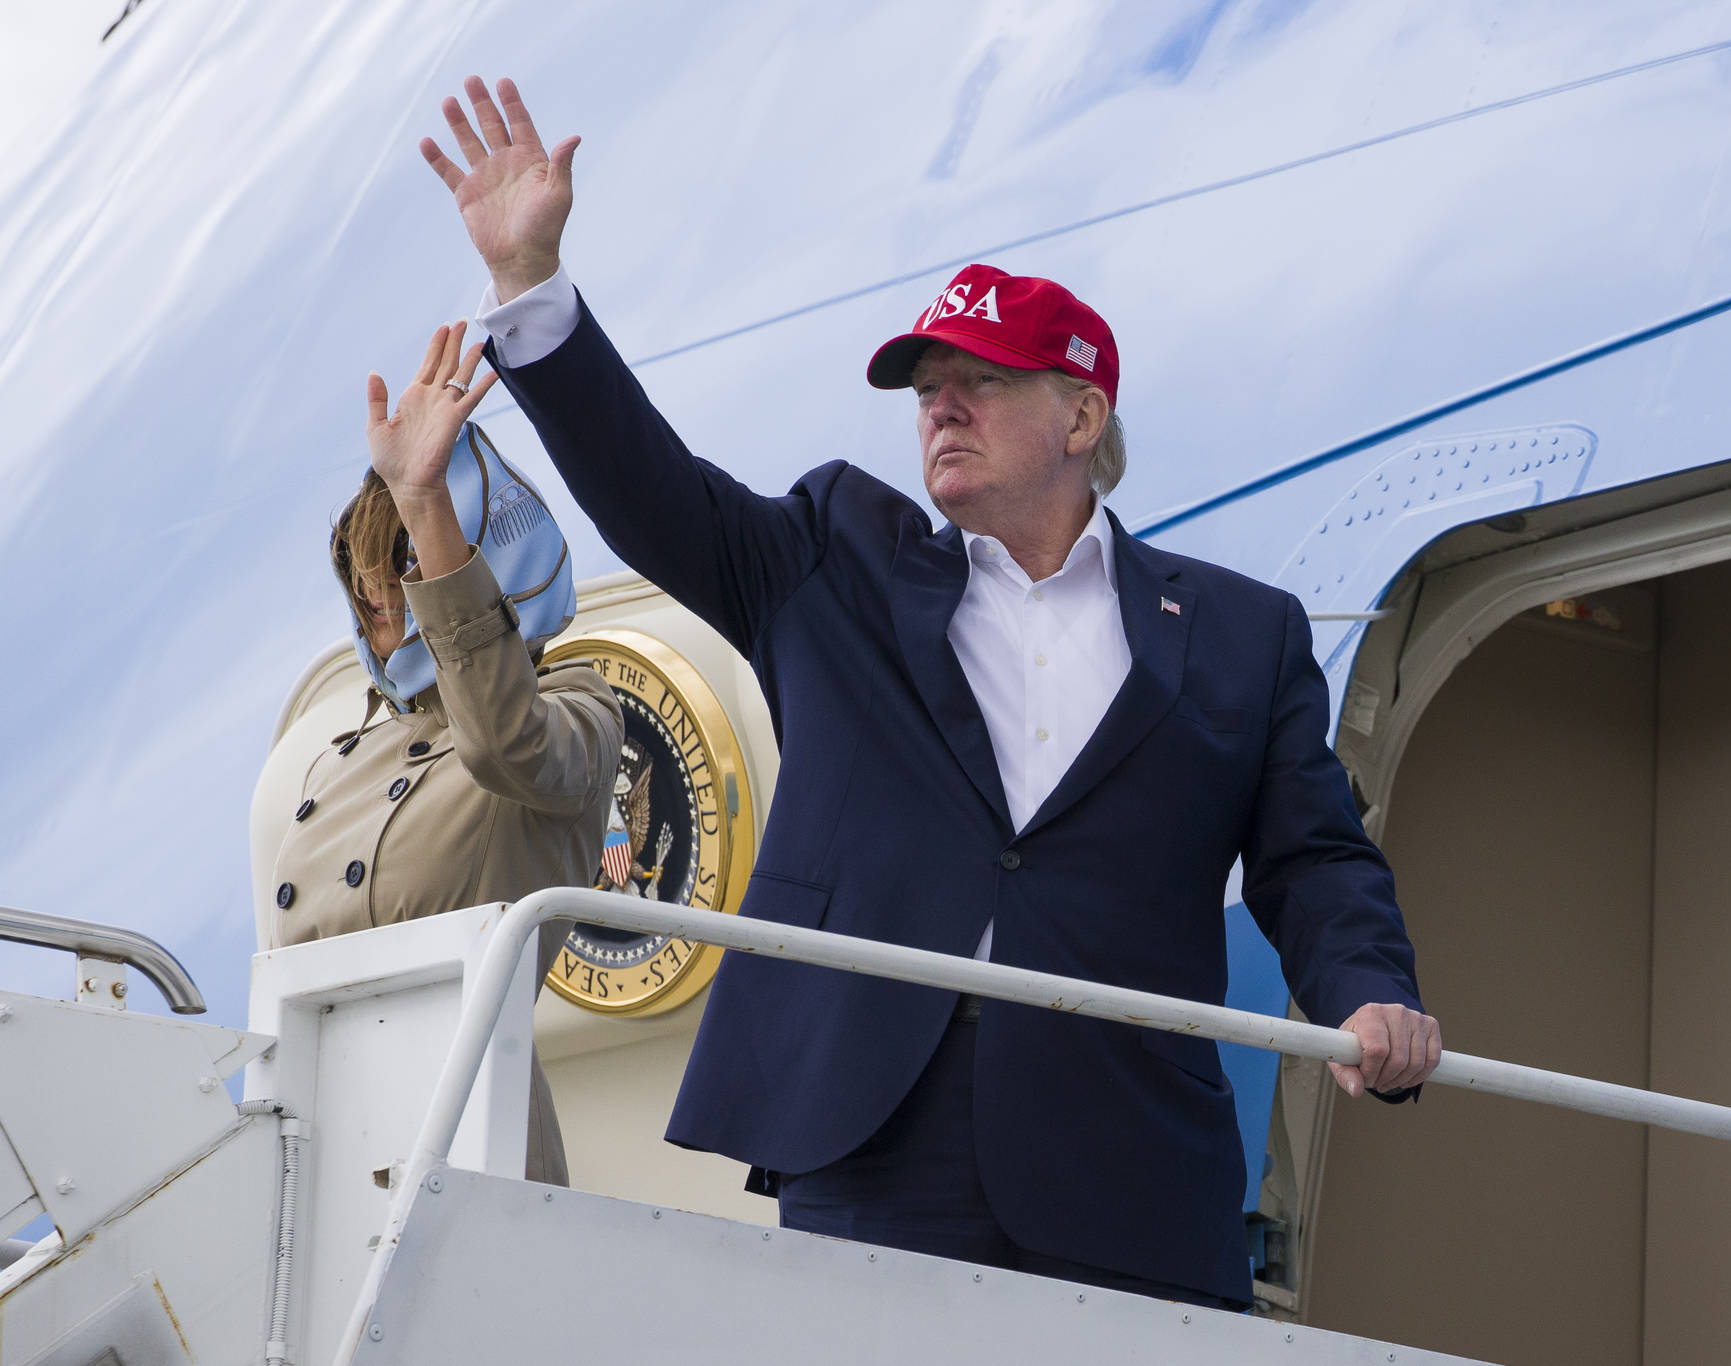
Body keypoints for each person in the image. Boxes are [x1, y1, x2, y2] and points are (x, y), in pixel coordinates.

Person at [419, 76, 1442, 1307]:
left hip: (1120, 1154)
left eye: (984, 378)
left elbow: (1313, 859)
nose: (939, 404)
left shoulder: (1239, 632)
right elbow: (654, 492)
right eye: (925, 386)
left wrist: (1369, 990)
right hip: (868, 1129)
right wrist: (533, 289)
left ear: (1082, 414)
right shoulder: (832, 557)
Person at [267, 321, 625, 1185]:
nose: (375, 598)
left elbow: (506, 745)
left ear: (480, 561)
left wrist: (424, 503)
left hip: (467, 1145)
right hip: (317, 1148)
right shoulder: (338, 755)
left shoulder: (576, 706)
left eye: (396, 563)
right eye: (361, 574)